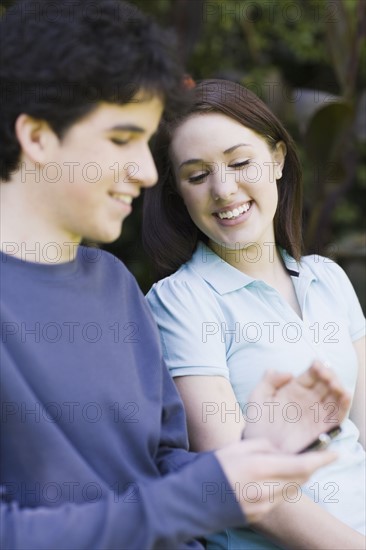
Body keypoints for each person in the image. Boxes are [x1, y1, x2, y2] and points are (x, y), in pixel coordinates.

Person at [0, 2, 353, 548]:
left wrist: (252, 457)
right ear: (39, 137)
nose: (145, 172)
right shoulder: (173, 298)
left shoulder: (114, 285)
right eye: (122, 139)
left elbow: (164, 464)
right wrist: (211, 487)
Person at [143, 79, 366, 549]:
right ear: (178, 192)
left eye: (240, 162)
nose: (224, 189)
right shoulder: (180, 302)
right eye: (197, 175)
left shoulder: (328, 278)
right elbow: (237, 483)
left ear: (278, 159)